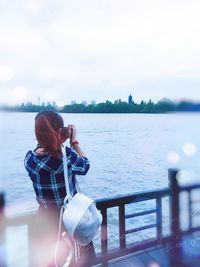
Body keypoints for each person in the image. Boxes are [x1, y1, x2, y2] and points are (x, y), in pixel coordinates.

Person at [24, 110, 95, 267]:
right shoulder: (66, 156)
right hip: (70, 223)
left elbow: (46, 152)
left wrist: (57, 138)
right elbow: (85, 166)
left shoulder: (29, 159)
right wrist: (74, 141)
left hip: (44, 224)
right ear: (59, 131)